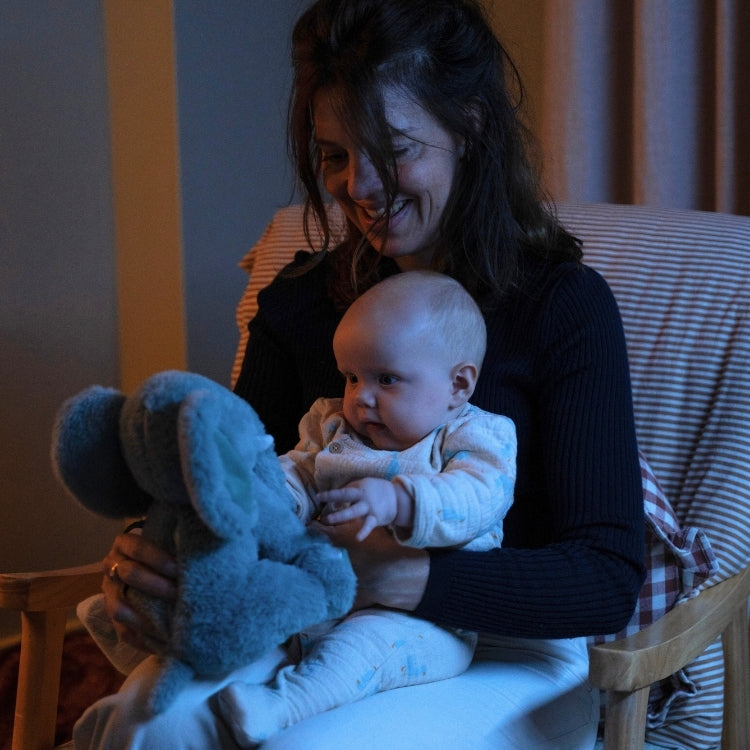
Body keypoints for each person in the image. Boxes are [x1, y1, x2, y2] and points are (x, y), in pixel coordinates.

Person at [74, 1, 645, 748]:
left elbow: (605, 576)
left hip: (508, 647)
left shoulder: (563, 306)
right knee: (147, 724)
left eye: (393, 149)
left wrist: (402, 576)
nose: (360, 186)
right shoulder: (301, 302)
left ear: (470, 125)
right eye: (335, 156)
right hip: (310, 613)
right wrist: (152, 553)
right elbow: (240, 486)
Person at [216, 269, 516, 746]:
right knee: (245, 617)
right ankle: (176, 642)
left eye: (386, 379)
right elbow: (299, 472)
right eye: (352, 377)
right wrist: (271, 499)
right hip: (319, 596)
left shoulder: (475, 436)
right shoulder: (334, 426)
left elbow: (478, 497)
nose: (361, 398)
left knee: (360, 647)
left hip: (422, 624)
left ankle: (284, 706)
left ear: (458, 385)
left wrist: (400, 500)